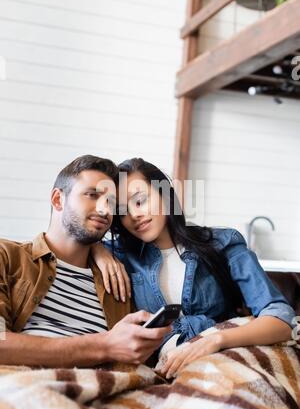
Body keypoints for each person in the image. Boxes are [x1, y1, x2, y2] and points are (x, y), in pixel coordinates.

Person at [93, 158, 296, 378]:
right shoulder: (123, 256)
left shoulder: (223, 243)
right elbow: (77, 238)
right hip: (166, 373)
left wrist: (216, 340)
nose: (134, 215)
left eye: (140, 201)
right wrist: (98, 250)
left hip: (227, 358)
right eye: (122, 212)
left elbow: (281, 319)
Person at [0, 155, 171, 368]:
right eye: (92, 195)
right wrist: (105, 345)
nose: (104, 209)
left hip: (112, 391)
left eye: (111, 202)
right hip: (30, 387)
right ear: (57, 199)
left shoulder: (119, 280)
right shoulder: (7, 257)